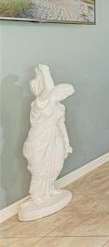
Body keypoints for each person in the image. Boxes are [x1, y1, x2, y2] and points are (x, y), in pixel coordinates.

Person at [23, 64, 74, 205]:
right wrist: (45, 71)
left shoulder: (60, 107)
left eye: (66, 95)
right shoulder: (40, 104)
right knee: (39, 169)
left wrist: (66, 142)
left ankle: (50, 189)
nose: (63, 96)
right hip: (39, 139)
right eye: (62, 93)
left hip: (55, 138)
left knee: (56, 165)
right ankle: (36, 196)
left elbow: (61, 124)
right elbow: (49, 88)